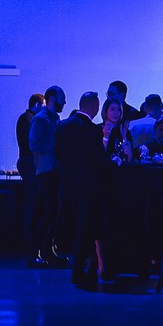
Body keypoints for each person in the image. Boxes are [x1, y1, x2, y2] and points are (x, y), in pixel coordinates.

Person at [57, 92, 106, 288]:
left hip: (68, 184)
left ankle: (78, 268)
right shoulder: (92, 130)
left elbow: (58, 154)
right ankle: (82, 268)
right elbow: (99, 159)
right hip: (89, 186)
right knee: (87, 229)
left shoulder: (62, 126)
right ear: (94, 107)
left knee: (75, 226)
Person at [29, 86, 66, 267]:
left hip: (54, 170)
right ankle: (35, 253)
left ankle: (46, 251)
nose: (64, 102)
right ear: (52, 98)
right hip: (46, 171)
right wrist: (56, 146)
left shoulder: (53, 119)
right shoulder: (41, 120)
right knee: (48, 213)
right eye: (62, 98)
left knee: (53, 213)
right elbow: (34, 144)